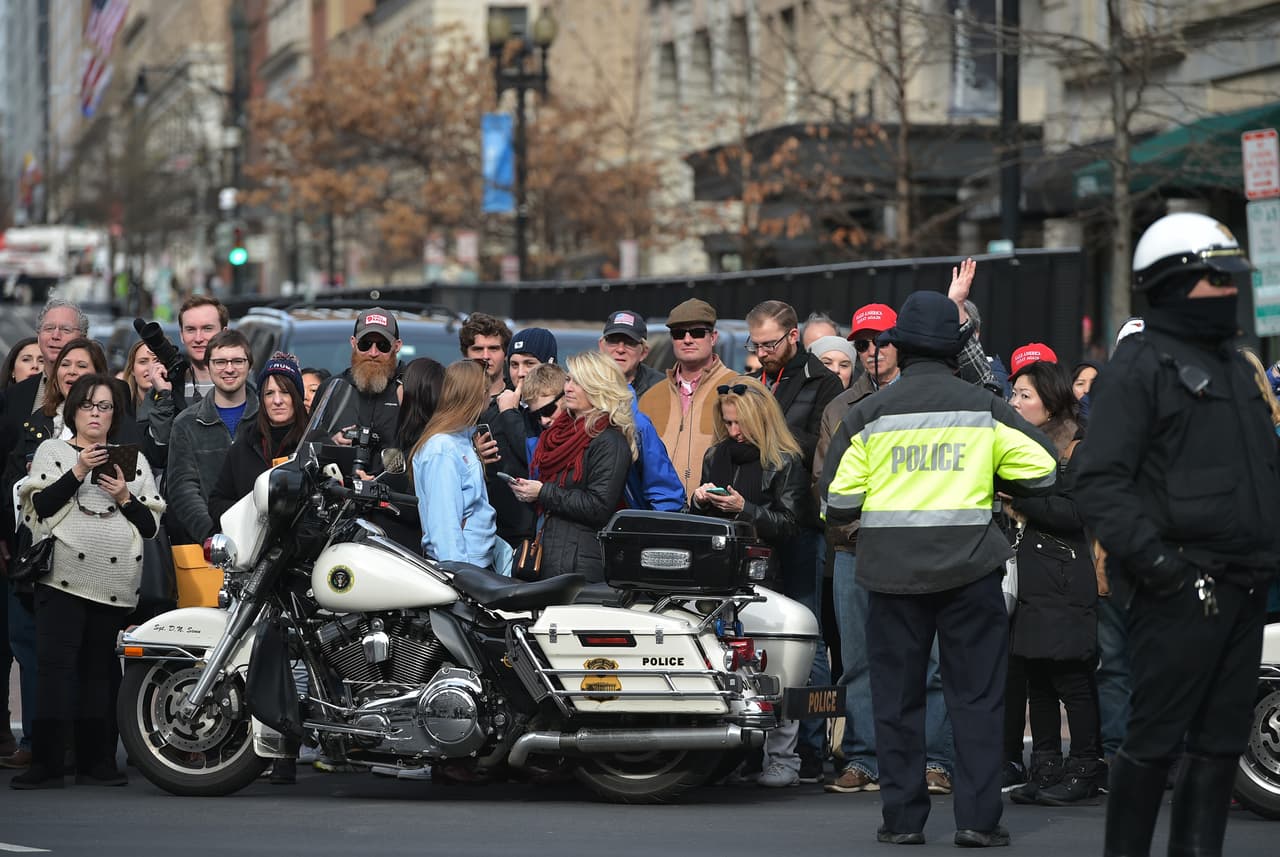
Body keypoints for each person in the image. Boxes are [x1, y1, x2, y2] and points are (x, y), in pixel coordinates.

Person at [1074, 212, 1280, 857]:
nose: (1228, 291)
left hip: (1244, 585)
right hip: (1181, 588)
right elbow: (1100, 484)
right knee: (1155, 742)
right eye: (1213, 278)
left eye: (1231, 278)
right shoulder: (1140, 368)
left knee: (1220, 746)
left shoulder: (1237, 367)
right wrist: (1167, 572)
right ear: (1170, 284)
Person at [821, 289, 1058, 848]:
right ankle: (977, 821)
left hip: (890, 577)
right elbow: (1044, 469)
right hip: (970, 573)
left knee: (895, 700)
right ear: (956, 348)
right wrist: (994, 478)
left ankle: (902, 821)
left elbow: (837, 504)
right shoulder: (984, 408)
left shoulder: (867, 414)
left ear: (898, 347)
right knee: (974, 699)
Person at [817, 302, 954, 798]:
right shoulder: (840, 408)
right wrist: (866, 523)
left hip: (923, 547)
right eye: (861, 343)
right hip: (857, 549)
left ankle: (935, 760)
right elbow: (826, 487)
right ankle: (864, 757)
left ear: (902, 346)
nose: (871, 351)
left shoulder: (927, 397)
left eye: (881, 341)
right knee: (858, 661)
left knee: (933, 661)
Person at [12, 374, 165, 789]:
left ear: (115, 416)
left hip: (114, 578)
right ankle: (46, 762)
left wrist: (123, 496)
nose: (96, 414)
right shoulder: (53, 451)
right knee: (55, 670)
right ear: (73, 410)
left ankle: (96, 761)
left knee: (99, 672)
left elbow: (149, 526)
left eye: (105, 407)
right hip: (61, 577)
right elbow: (39, 508)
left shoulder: (133, 460)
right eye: (88, 405)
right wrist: (79, 469)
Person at [691, 376, 808, 787]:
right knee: (724, 668)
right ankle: (732, 757)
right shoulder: (716, 454)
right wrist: (699, 500)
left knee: (773, 667)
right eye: (728, 422)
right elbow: (699, 523)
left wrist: (746, 509)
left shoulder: (785, 460)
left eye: (740, 423)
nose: (734, 431)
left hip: (764, 576)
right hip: (717, 576)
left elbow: (791, 525)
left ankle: (783, 757)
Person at [745, 299, 844, 783]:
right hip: (756, 518)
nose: (762, 352)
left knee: (810, 638)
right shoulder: (756, 380)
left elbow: (816, 443)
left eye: (769, 343)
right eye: (756, 344)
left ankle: (810, 745)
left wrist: (767, 429)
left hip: (801, 520)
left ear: (793, 336)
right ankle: (759, 746)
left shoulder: (821, 381)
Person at [1002, 359, 1101, 806]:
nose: (1015, 402)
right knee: (1035, 676)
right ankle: (1044, 766)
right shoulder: (1012, 444)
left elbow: (1076, 514)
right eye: (1014, 394)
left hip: (1063, 574)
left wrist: (1020, 498)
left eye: (1025, 395)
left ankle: (1083, 767)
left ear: (1051, 400)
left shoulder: (1077, 447)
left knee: (1070, 677)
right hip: (1025, 575)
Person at [0, 299, 89, 771]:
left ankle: (79, 742)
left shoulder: (102, 395)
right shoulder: (18, 396)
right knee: (28, 643)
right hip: (26, 541)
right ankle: (36, 740)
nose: (55, 337)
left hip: (87, 542)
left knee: (78, 648)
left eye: (66, 330)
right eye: (48, 329)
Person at [510, 351, 635, 582]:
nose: (568, 387)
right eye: (568, 379)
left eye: (577, 382)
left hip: (582, 563)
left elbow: (598, 506)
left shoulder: (609, 440)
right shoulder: (560, 434)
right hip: (554, 555)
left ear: (597, 387)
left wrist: (542, 492)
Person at [638, 299, 737, 499]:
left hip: (712, 511)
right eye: (679, 333)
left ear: (713, 337)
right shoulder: (650, 397)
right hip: (656, 513)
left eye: (698, 332)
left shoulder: (736, 388)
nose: (688, 339)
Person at [165, 329, 256, 545]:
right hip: (209, 547)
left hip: (266, 544)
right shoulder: (186, 423)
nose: (229, 369)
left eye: (238, 361)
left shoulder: (267, 418)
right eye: (220, 362)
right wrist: (213, 536)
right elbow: (183, 490)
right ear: (208, 366)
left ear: (249, 366)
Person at [411, 361, 498, 568]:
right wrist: (462, 577)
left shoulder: (461, 439)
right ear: (479, 394)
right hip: (464, 570)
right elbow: (444, 523)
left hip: (476, 564)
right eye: (488, 390)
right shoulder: (442, 448)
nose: (491, 397)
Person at [208, 354, 308, 526]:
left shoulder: (314, 442)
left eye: (285, 392)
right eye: (269, 393)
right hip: (255, 547)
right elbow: (217, 502)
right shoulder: (245, 444)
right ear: (262, 399)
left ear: (297, 396)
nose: (277, 401)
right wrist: (253, 513)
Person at [317, 307, 405, 475]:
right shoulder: (332, 389)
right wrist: (332, 443)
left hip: (394, 497)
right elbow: (310, 445)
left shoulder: (408, 390)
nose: (373, 353)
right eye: (365, 344)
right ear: (353, 343)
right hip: (338, 495)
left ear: (397, 346)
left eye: (383, 345)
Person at [145, 296, 229, 448]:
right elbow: (158, 455)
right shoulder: (165, 387)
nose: (198, 338)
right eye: (190, 329)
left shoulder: (243, 387)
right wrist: (164, 396)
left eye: (207, 329)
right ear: (182, 335)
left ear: (224, 333)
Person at [599, 310, 664, 398]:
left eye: (630, 343)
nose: (620, 349)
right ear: (602, 347)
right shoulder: (583, 383)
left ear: (644, 352)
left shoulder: (660, 388)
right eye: (613, 340)